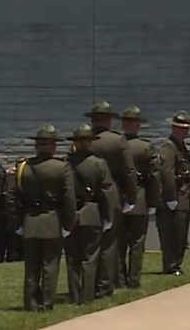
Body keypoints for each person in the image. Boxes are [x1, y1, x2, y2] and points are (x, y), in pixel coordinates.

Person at [9, 124, 76, 312]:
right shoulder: (62, 167)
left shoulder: (23, 167)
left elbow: (12, 196)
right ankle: (46, 303)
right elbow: (69, 198)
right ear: (53, 146)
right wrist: (69, 223)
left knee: (31, 267)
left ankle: (30, 303)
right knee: (50, 265)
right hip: (52, 221)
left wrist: (16, 223)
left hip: (29, 221)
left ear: (37, 146)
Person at [86, 101, 137, 294]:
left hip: (88, 196)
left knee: (89, 244)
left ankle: (88, 284)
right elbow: (129, 171)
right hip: (112, 192)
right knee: (109, 242)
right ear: (109, 120)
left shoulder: (84, 139)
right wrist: (130, 198)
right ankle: (105, 285)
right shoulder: (117, 141)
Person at [64, 123, 116, 305]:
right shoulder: (99, 164)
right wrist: (109, 216)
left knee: (72, 258)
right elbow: (107, 191)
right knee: (90, 257)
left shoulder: (65, 164)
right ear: (90, 142)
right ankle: (87, 296)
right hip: (92, 213)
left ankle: (74, 295)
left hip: (70, 214)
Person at [120, 105, 157, 289]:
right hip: (140, 196)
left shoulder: (115, 145)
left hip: (118, 197)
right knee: (136, 242)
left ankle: (119, 278)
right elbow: (154, 176)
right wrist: (153, 200)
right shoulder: (145, 146)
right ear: (137, 126)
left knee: (118, 242)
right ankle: (133, 279)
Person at [157, 110, 190, 276]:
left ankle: (177, 264)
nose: (186, 131)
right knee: (172, 235)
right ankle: (171, 265)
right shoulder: (169, 148)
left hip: (183, 196)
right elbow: (167, 173)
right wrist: (171, 197)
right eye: (182, 128)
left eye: (187, 128)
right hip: (175, 197)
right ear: (174, 128)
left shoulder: (180, 146)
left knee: (181, 234)